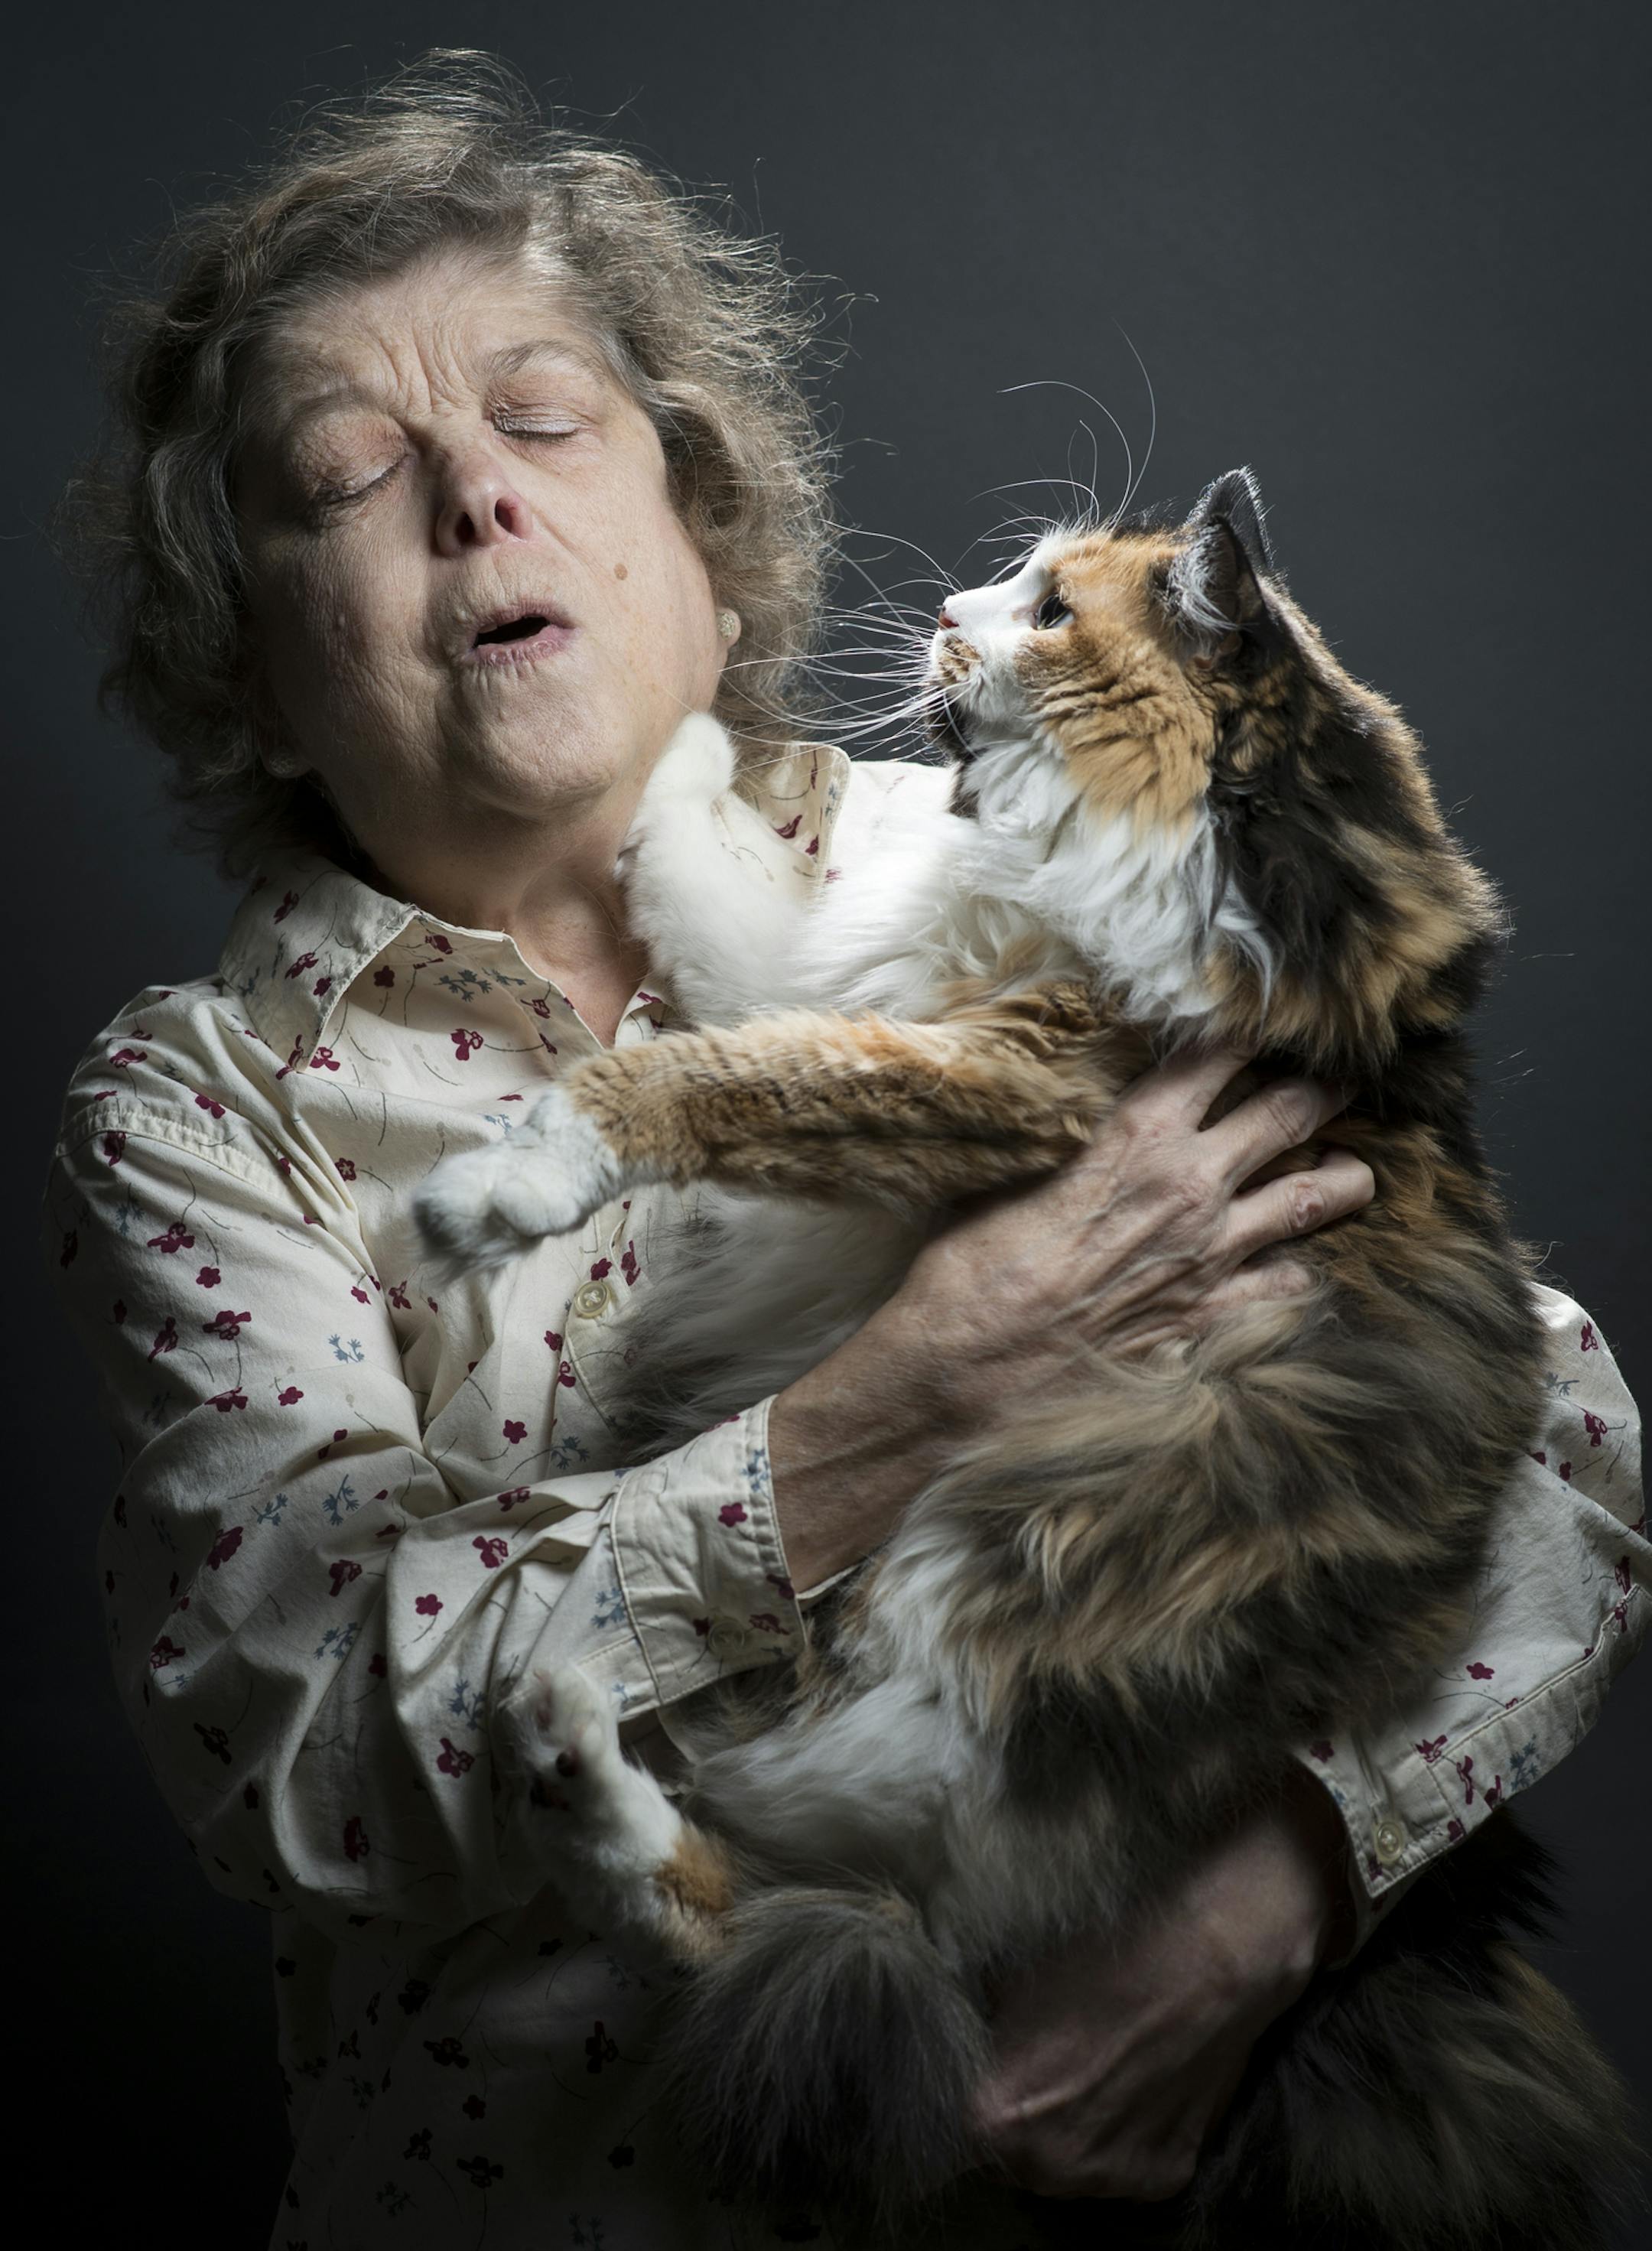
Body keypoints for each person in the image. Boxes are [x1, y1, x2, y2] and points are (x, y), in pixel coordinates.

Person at [44, 50, 1644, 2249]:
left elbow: (1555, 1435)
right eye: (347, 477)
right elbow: (299, 1739)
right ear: (248, 661)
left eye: (541, 421)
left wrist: (1292, 1868)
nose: (476, 500)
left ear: (704, 539)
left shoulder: (1029, 861)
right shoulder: (202, 1106)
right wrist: (903, 1396)